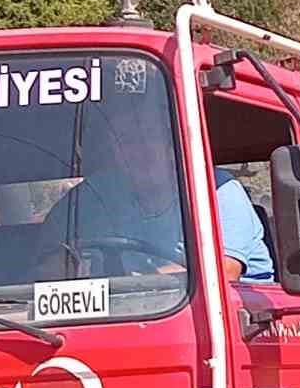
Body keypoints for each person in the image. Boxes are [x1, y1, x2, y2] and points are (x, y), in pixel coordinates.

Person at [36, 116, 274, 285]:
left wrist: (140, 286)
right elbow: (47, 257)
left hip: (241, 322)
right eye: (126, 141)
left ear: (175, 146)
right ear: (115, 151)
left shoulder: (217, 188)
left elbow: (224, 272)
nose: (140, 150)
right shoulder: (96, 194)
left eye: (149, 137)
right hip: (133, 313)